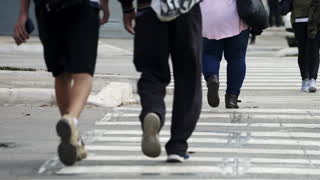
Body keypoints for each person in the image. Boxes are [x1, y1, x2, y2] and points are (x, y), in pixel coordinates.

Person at [13, 0, 110, 166]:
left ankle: (75, 139)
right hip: (83, 7)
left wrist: (23, 13)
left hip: (48, 9)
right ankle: (71, 120)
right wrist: (106, 5)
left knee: (61, 74)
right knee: (83, 74)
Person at [118, 0, 202, 162]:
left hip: (149, 10)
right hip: (186, 11)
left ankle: (153, 110)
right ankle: (177, 146)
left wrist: (127, 8)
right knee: (188, 78)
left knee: (151, 72)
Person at [201, 0, 251, 109]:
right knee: (237, 58)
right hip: (237, 15)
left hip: (208, 16)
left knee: (209, 53)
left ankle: (212, 78)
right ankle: (232, 98)